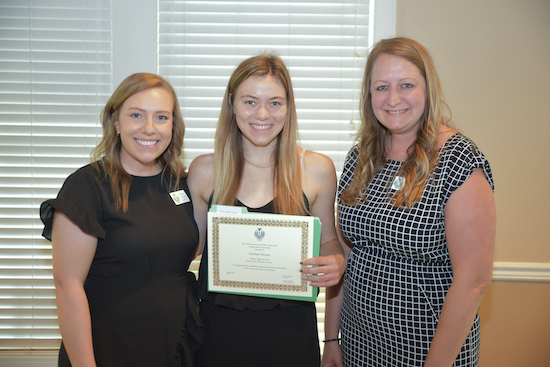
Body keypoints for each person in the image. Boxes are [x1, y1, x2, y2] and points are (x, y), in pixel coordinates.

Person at [322, 37, 496, 367]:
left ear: (427, 89)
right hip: (359, 344)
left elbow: (474, 282)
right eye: (381, 87)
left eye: (406, 85)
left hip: (428, 352)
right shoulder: (360, 158)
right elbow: (345, 255)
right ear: (368, 94)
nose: (393, 99)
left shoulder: (458, 161)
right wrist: (332, 339)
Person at [187, 53, 345, 367]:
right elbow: (188, 249)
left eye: (275, 102)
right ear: (231, 103)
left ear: (289, 106)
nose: (263, 114)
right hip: (216, 334)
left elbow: (329, 242)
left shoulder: (316, 170)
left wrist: (336, 263)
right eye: (250, 102)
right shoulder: (205, 170)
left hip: (290, 334)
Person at [40, 73, 204, 367]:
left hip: (173, 344)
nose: (149, 128)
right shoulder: (88, 186)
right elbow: (68, 286)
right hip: (108, 346)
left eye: (161, 117)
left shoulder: (180, 184)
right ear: (116, 122)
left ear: (173, 125)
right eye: (136, 115)